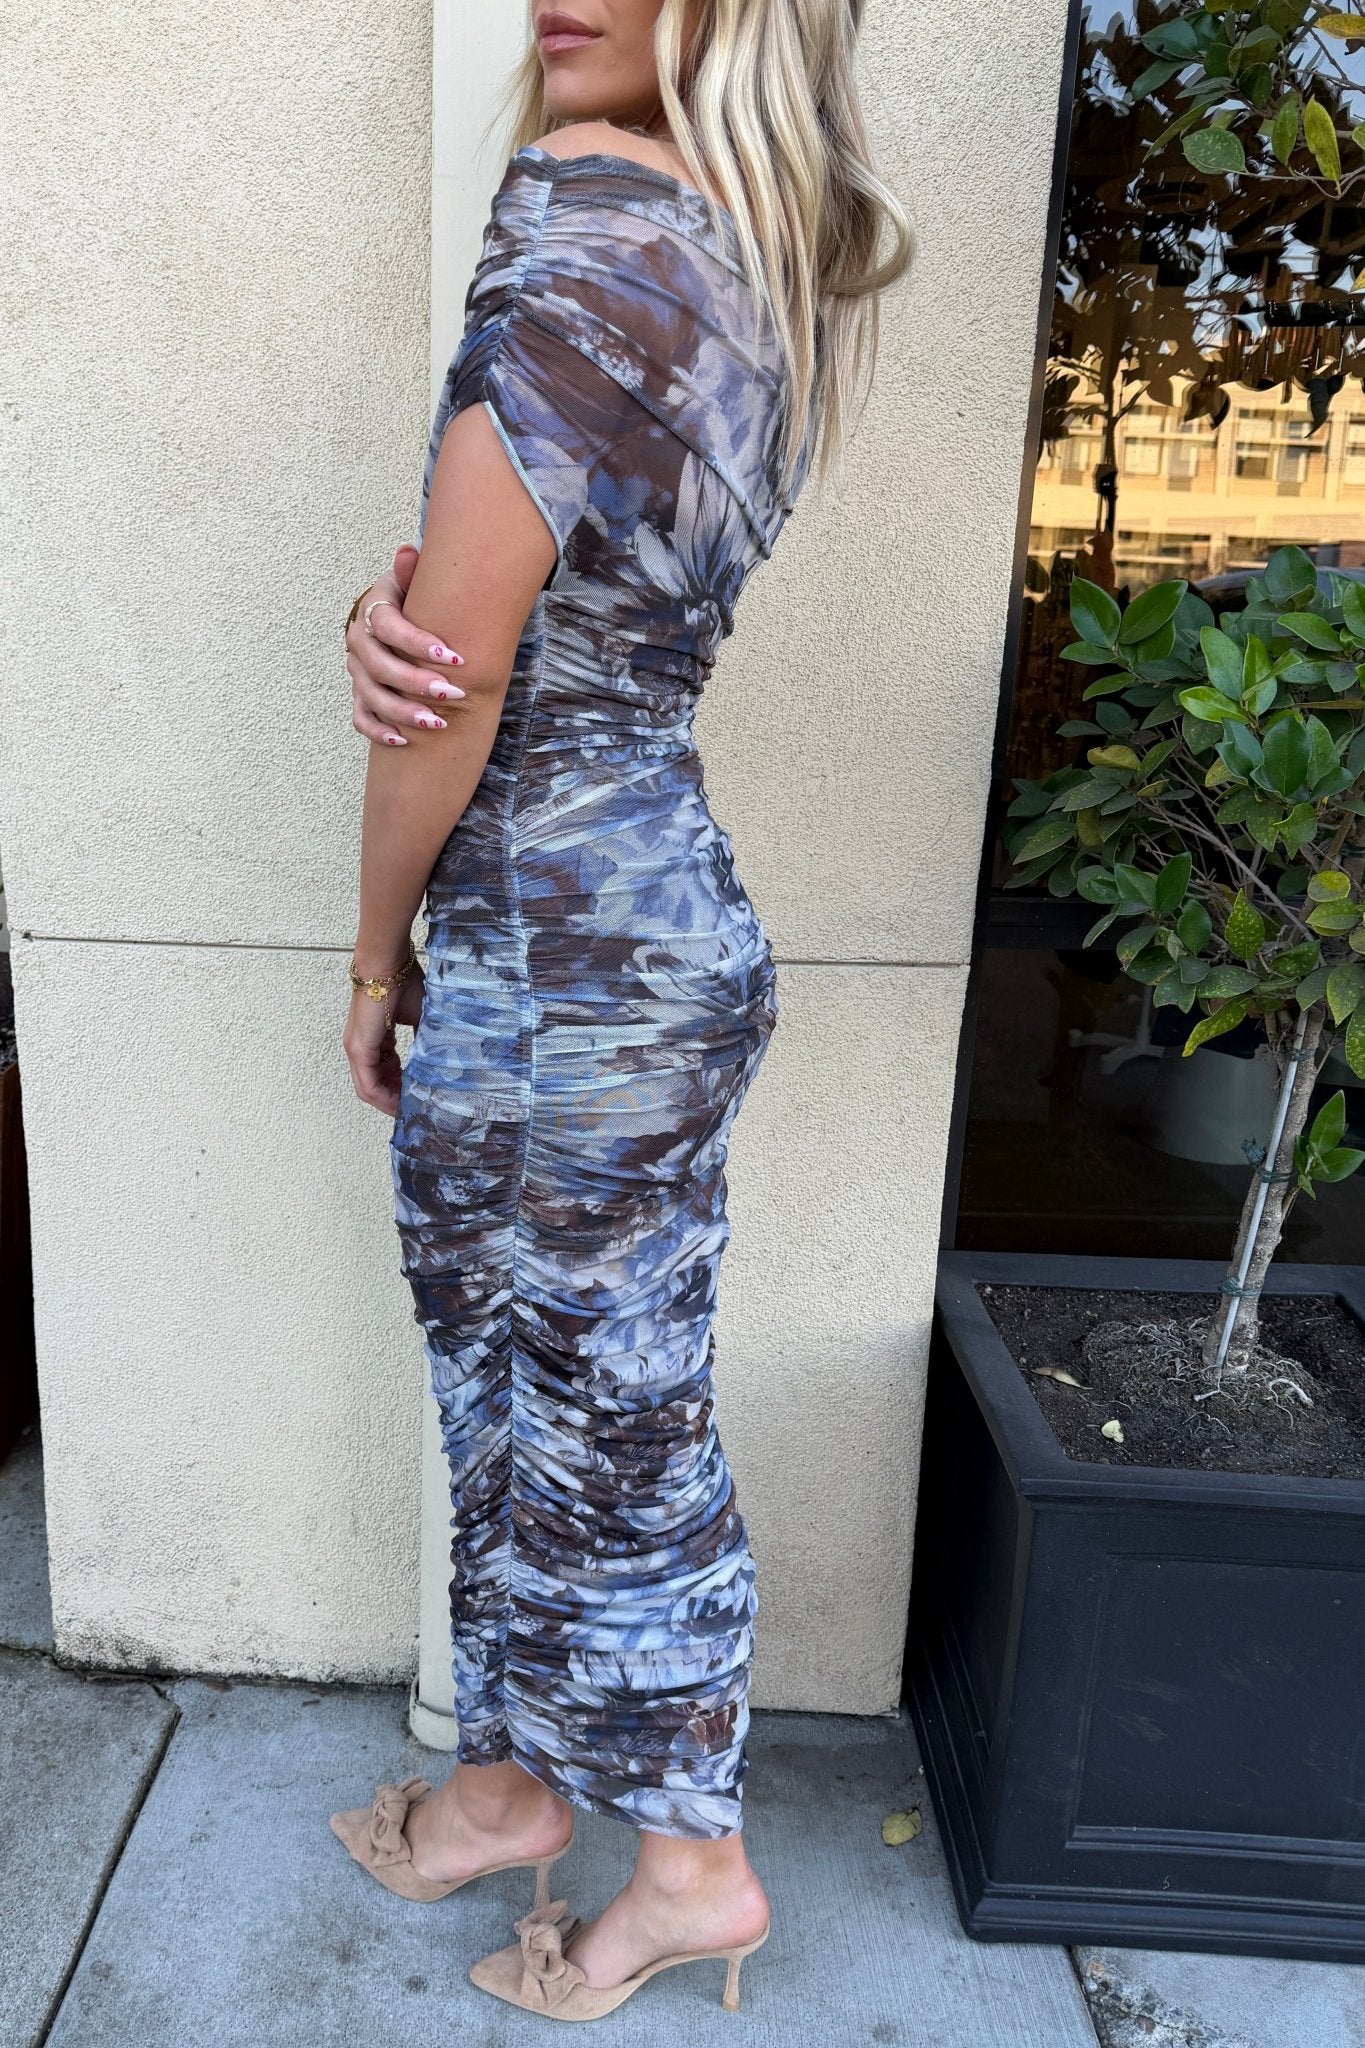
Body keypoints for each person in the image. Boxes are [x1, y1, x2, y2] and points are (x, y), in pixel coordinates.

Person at [330, 0, 911, 2020]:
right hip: (645, 921)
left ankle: (689, 1870)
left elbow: (462, 672)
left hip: (553, 960)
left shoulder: (581, 210)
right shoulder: (747, 259)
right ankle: (508, 1790)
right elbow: (527, 619)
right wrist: (396, 624)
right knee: (549, 1394)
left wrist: (375, 955)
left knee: (599, 1422)